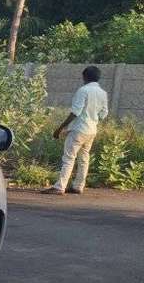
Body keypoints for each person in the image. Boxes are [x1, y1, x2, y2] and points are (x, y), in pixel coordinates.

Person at [42, 66, 108, 195]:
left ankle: (60, 187)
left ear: (85, 77)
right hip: (92, 130)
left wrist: (61, 128)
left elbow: (75, 112)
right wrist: (92, 118)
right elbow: (104, 114)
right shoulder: (103, 93)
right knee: (84, 158)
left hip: (79, 129)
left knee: (69, 158)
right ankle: (78, 186)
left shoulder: (83, 90)